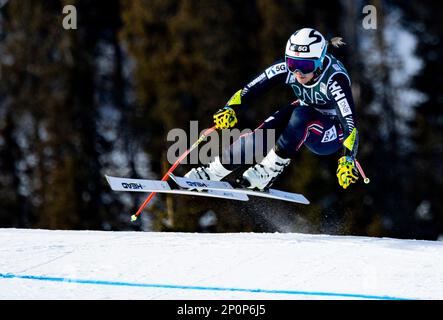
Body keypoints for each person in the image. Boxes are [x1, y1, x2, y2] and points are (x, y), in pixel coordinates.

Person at [185, 27, 359, 191]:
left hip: (332, 132)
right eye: (292, 63)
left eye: (306, 66)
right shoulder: (287, 69)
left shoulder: (335, 79)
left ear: (320, 61)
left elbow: (349, 122)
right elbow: (250, 89)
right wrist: (229, 108)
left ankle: (267, 171)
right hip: (304, 115)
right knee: (261, 135)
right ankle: (212, 172)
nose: (298, 72)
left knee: (301, 114)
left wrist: (348, 158)